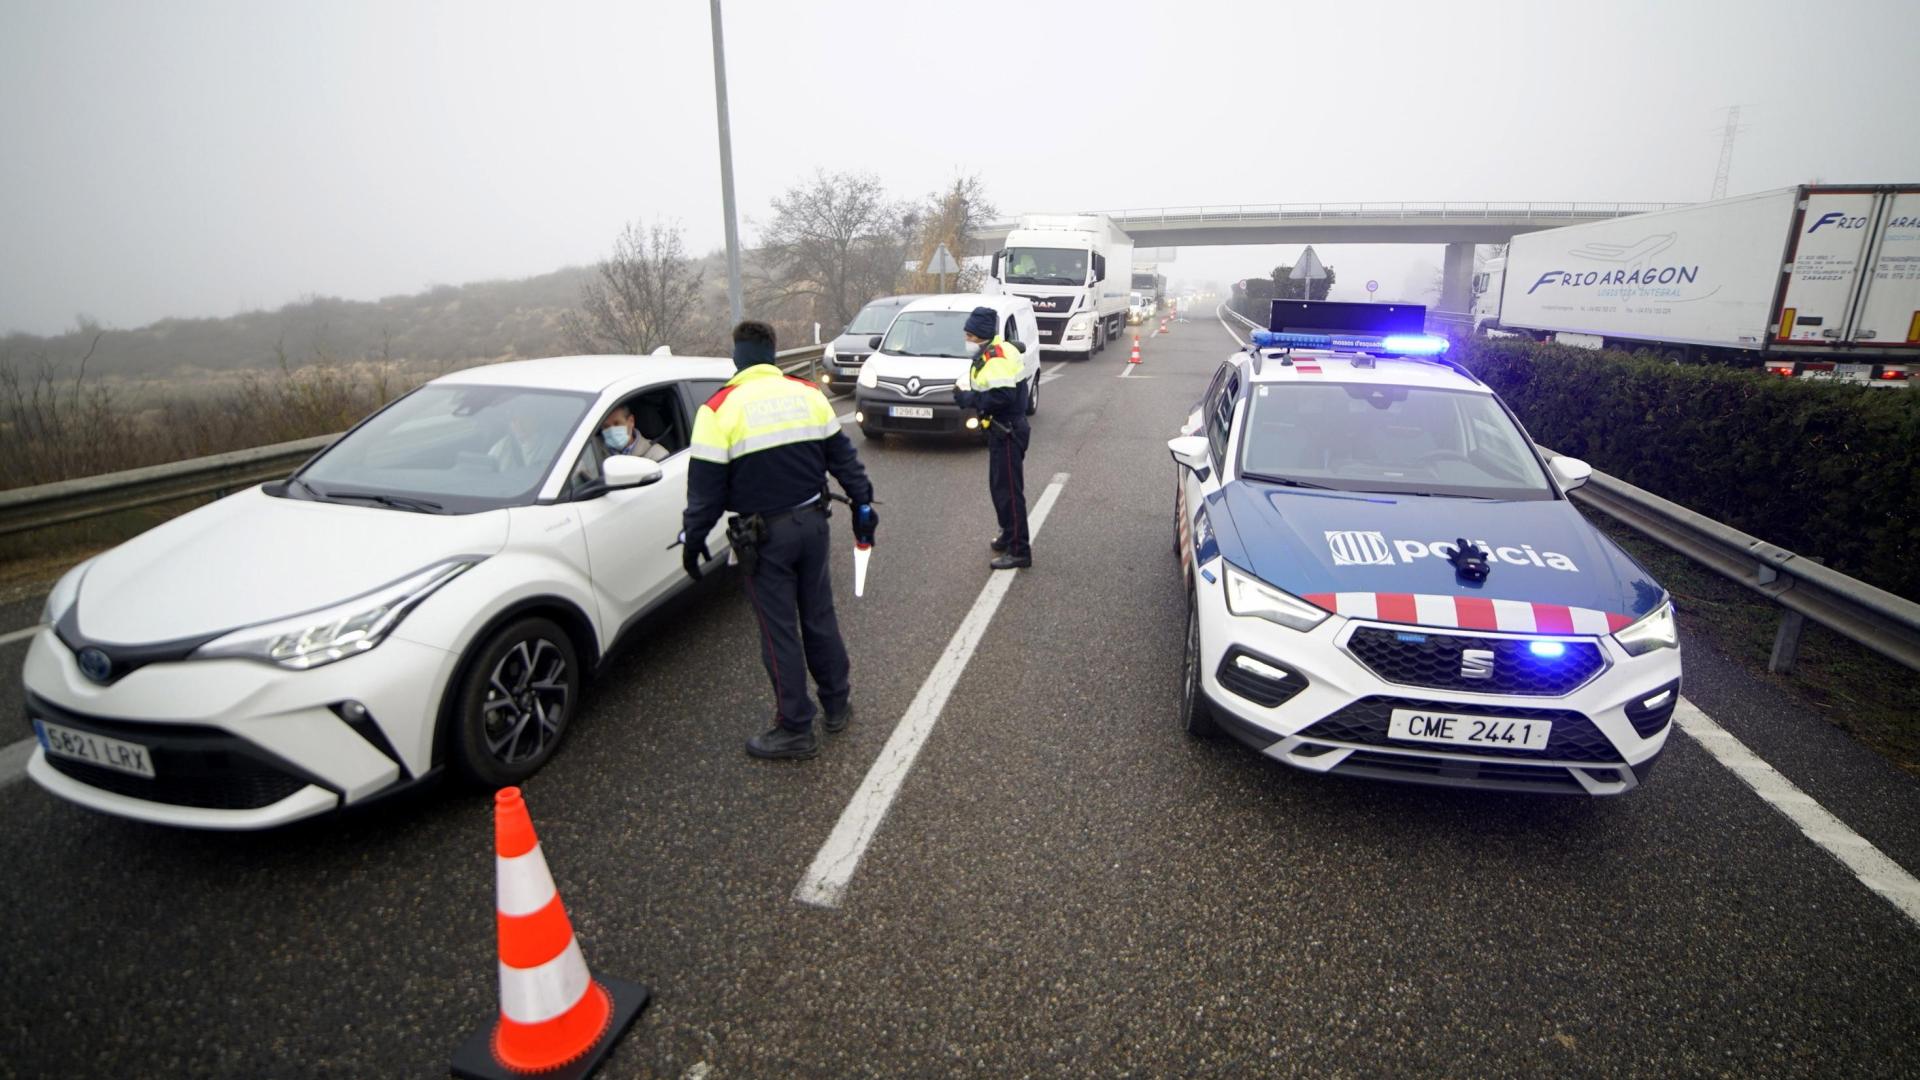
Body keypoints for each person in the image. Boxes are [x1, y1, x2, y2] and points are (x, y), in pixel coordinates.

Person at [681, 320, 878, 760]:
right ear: (772, 354)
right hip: (813, 525)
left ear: (736, 357)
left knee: (779, 631)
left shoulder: (718, 410)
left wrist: (693, 542)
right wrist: (864, 505)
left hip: (764, 536)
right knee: (819, 616)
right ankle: (836, 703)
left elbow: (705, 493)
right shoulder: (808, 394)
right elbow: (845, 461)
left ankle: (795, 727)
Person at [951, 306, 1031, 570]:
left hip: (1006, 430)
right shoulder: (996, 350)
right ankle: (1009, 535)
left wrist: (968, 399)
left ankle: (1020, 550)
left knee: (1009, 493)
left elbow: (1001, 397)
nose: (967, 341)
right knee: (1000, 489)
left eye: (969, 336)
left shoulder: (995, 358)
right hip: (1004, 430)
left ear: (981, 335)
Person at [599, 404, 669, 462]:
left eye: (617, 424)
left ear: (631, 421)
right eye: (606, 426)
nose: (611, 430)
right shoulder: (594, 453)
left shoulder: (656, 455)